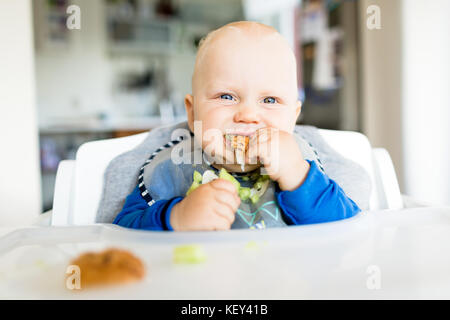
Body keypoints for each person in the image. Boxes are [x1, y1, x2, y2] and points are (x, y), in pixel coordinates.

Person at [113, 21, 361, 231]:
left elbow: (348, 230)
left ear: (293, 118)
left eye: (270, 100)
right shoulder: (172, 169)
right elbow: (123, 230)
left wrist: (298, 178)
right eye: (226, 97)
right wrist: (176, 217)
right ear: (192, 112)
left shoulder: (304, 167)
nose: (248, 115)